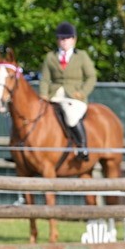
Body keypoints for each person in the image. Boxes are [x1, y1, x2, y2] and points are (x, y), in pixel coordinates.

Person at [39, 21, 96, 160]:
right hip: (54, 95)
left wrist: (82, 93)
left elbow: (91, 77)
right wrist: (44, 94)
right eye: (61, 38)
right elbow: (45, 79)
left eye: (67, 38)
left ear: (73, 39)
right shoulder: (50, 57)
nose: (64, 41)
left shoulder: (81, 56)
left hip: (74, 97)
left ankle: (82, 148)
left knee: (71, 117)